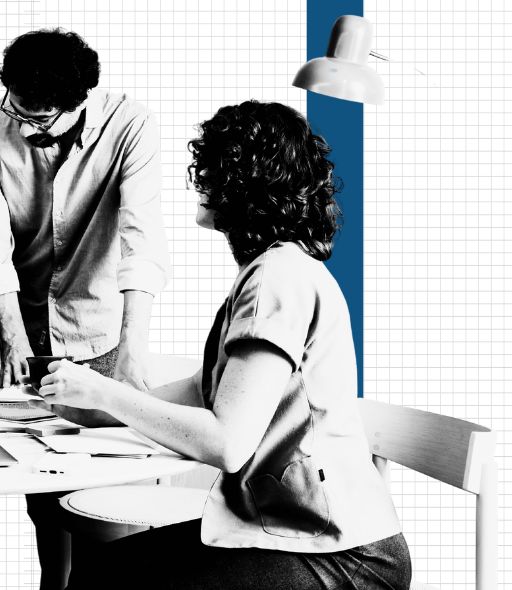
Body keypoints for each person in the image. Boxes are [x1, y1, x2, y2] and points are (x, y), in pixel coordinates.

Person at [41, 101, 411, 590]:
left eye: (211, 167)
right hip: (302, 536)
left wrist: (105, 393)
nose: (199, 180)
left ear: (242, 179)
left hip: (345, 557)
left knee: (105, 581)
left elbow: (226, 442)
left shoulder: (277, 278)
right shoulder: (274, 269)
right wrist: (92, 406)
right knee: (96, 571)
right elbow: (203, 391)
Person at [0, 28, 172, 588]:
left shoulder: (131, 126)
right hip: (29, 331)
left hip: (102, 336)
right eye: (19, 111)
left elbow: (141, 238)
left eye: (42, 118)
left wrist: (132, 349)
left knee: (108, 504)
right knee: (43, 491)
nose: (26, 127)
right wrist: (10, 333)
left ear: (79, 102)